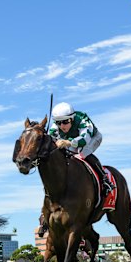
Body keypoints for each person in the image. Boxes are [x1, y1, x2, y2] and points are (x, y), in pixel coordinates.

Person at [38, 102, 113, 237]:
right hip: (72, 142)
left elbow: (84, 140)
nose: (62, 126)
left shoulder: (83, 120)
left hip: (91, 139)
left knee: (83, 155)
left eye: (65, 122)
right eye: (59, 123)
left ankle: (105, 179)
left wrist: (68, 142)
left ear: (72, 119)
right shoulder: (55, 128)